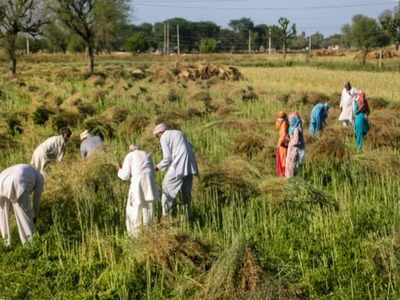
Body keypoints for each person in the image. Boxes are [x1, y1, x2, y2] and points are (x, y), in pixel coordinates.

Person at [153, 123, 198, 220]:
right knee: (185, 192)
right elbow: (190, 147)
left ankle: (166, 216)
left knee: (166, 188)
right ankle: (187, 215)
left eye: (157, 136)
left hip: (179, 165)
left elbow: (167, 158)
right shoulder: (179, 133)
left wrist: (157, 167)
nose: (158, 138)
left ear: (160, 132)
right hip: (190, 165)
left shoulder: (164, 137)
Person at [117, 145, 159, 237]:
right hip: (150, 184)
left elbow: (125, 176)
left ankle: (135, 235)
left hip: (137, 184)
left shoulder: (130, 156)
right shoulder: (147, 155)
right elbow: (152, 170)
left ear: (131, 150)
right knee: (148, 208)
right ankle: (149, 233)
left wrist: (119, 170)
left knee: (134, 209)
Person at [0, 164, 44, 246]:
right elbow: (36, 199)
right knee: (24, 216)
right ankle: (30, 245)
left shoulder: (29, 169)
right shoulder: (40, 178)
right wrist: (35, 215)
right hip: (17, 181)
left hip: (2, 179)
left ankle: (6, 243)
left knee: (2, 215)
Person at [285, 113, 305, 178]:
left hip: (295, 149)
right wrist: (289, 138)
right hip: (293, 148)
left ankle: (291, 177)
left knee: (292, 163)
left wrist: (290, 142)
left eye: (290, 120)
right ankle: (291, 176)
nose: (289, 121)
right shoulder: (292, 128)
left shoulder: (296, 129)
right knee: (290, 162)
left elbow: (296, 141)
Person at [275, 112, 289, 177]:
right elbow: (284, 134)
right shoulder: (284, 123)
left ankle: (280, 174)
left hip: (280, 142)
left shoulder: (278, 121)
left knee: (280, 158)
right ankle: (283, 174)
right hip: (283, 144)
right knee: (283, 158)